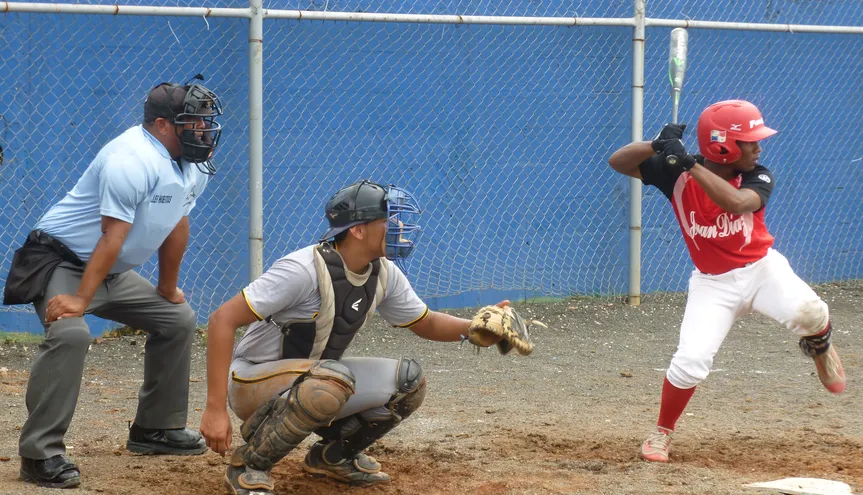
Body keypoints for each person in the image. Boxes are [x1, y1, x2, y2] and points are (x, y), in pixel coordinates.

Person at [199, 180, 511, 495]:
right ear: (358, 230)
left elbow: (426, 322)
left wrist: (475, 328)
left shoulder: (384, 272)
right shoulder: (302, 269)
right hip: (251, 380)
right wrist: (214, 409)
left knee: (408, 382)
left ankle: (331, 457)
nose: (400, 227)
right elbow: (222, 320)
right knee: (331, 379)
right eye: (390, 219)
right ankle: (249, 466)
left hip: (315, 381)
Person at [3, 78, 224, 488]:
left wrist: (166, 288)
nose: (203, 130)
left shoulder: (191, 164)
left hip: (110, 269)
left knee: (177, 319)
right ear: (162, 125)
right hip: (60, 262)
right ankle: (39, 454)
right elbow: (112, 236)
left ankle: (155, 430)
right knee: (70, 334)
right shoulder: (130, 158)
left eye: (204, 122)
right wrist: (79, 300)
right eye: (193, 122)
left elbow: (177, 223)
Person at [607, 99, 846, 463]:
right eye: (750, 140)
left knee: (811, 312)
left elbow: (736, 203)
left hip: (762, 270)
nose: (759, 147)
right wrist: (656, 145)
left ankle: (821, 349)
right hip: (712, 283)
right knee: (691, 360)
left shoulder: (758, 174)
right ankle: (662, 433)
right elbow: (618, 161)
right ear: (723, 146)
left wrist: (687, 162)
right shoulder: (675, 174)